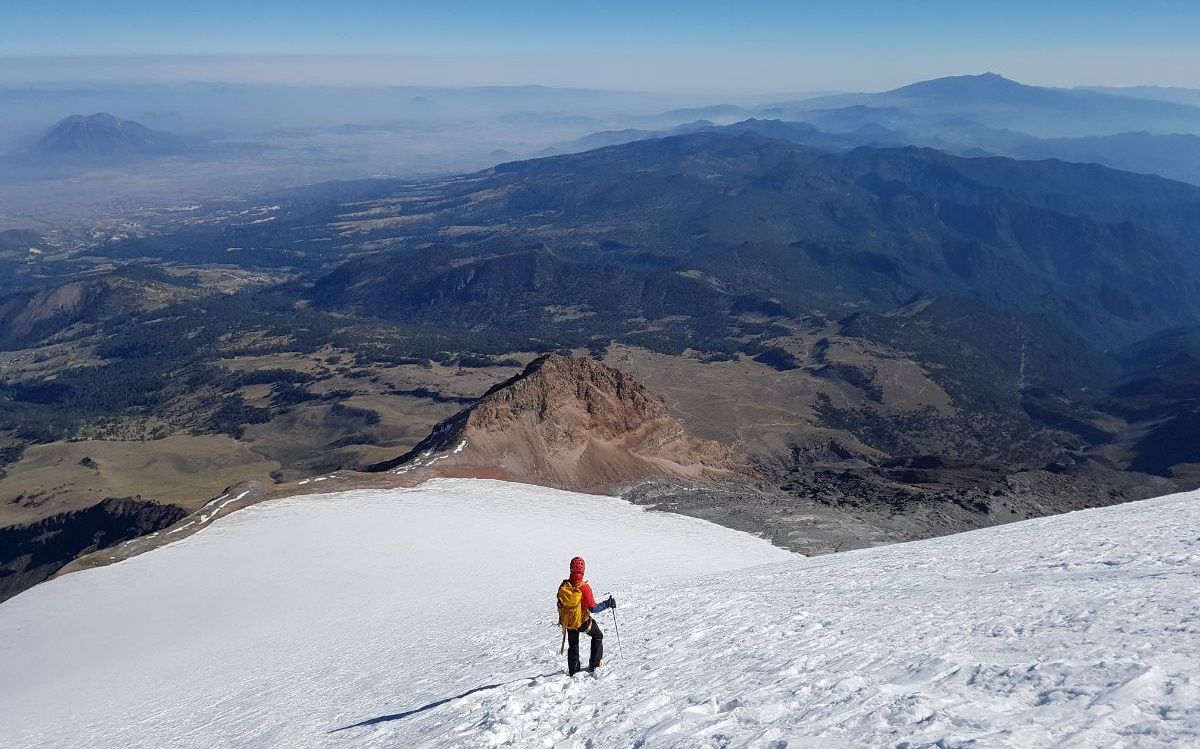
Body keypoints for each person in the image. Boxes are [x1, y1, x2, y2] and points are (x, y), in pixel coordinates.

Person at [556, 556, 615, 675]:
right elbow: (593, 608)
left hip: (569, 621)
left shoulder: (564, 585)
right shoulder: (584, 587)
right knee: (598, 635)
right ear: (583, 570)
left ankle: (573, 670)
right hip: (582, 622)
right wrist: (607, 604)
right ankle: (595, 665)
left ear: (571, 568)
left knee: (573, 644)